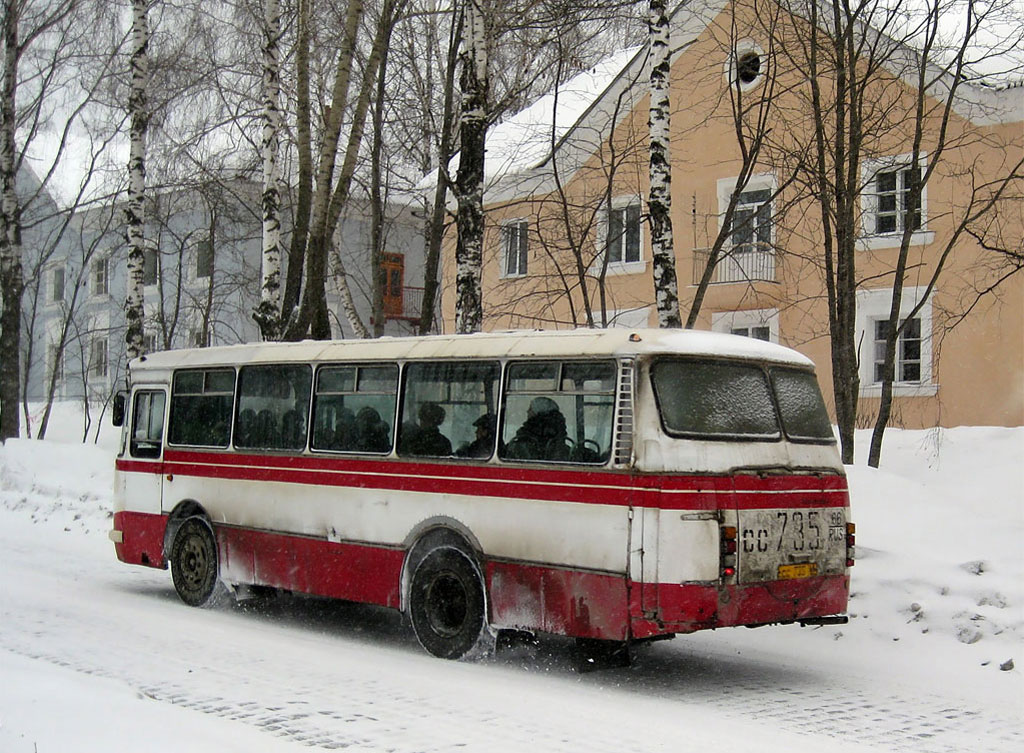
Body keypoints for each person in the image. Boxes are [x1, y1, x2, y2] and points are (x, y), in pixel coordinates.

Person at [504, 396, 569, 461]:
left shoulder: (526, 439)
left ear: (537, 412)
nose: (527, 411)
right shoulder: (559, 439)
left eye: (530, 409)